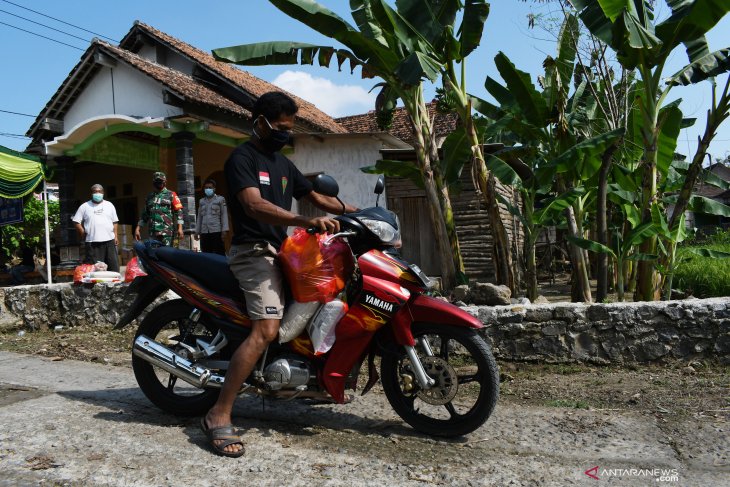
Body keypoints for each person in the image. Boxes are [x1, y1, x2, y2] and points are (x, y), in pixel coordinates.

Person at [200, 92, 359, 457]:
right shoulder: (241, 158)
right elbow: (254, 204)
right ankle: (218, 413)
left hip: (282, 253)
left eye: (290, 128)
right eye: (281, 127)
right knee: (266, 330)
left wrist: (358, 213)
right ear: (259, 122)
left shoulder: (283, 165)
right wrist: (304, 220)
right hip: (253, 254)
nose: (285, 134)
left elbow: (319, 198)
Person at [72, 184, 120, 272]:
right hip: (92, 242)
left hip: (109, 240)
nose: (97, 194)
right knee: (95, 268)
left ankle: (114, 284)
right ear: (91, 193)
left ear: (103, 193)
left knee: (113, 266)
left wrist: (116, 236)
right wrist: (82, 232)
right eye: (95, 192)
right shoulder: (84, 206)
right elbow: (76, 221)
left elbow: (115, 221)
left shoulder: (109, 205)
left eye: (99, 192)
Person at [134, 172, 184, 246]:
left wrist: (180, 228)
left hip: (166, 233)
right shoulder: (149, 197)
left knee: (167, 255)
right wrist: (137, 229)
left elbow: (179, 212)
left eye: (161, 181)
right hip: (153, 233)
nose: (159, 183)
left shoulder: (171, 194)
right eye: (157, 181)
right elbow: (145, 215)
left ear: (165, 182)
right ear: (153, 182)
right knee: (154, 255)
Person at [194, 178, 229, 255]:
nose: (208, 189)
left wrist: (224, 230)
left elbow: (224, 215)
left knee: (219, 253)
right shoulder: (201, 201)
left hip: (216, 230)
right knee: (206, 253)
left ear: (214, 189)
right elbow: (199, 217)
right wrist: (197, 231)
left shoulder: (220, 199)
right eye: (206, 188)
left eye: (210, 187)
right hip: (204, 231)